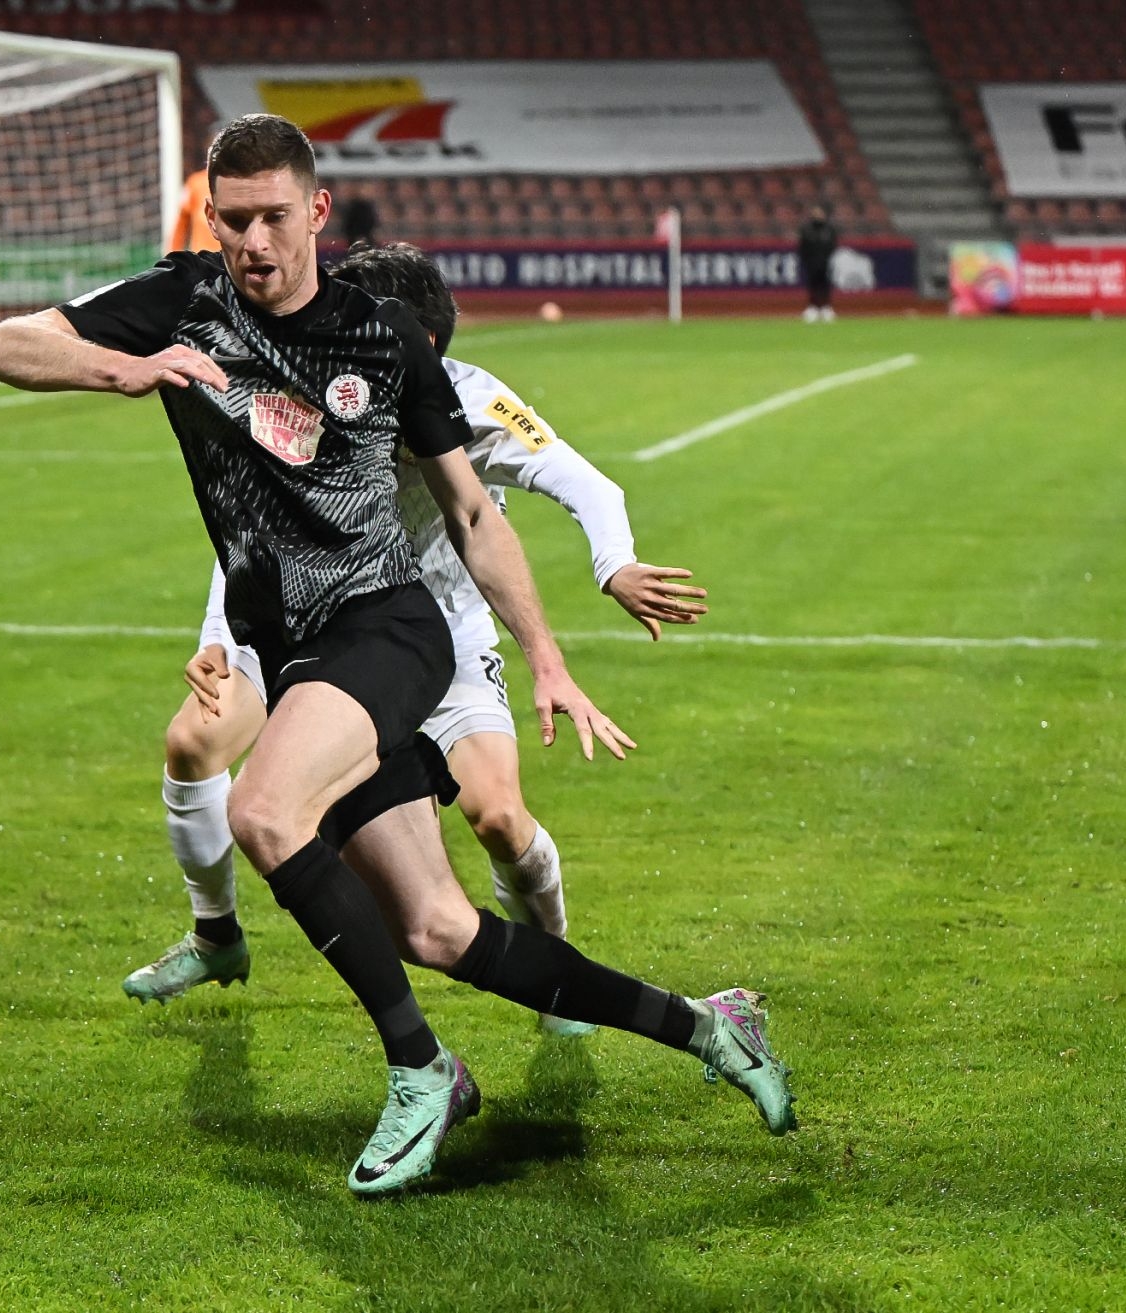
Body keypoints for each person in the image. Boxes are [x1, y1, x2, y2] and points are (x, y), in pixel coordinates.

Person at [0, 114, 792, 1196]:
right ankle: (705, 1022)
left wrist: (544, 651)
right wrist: (119, 368)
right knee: (439, 928)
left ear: (317, 212)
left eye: (273, 216)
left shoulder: (386, 339)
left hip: (391, 631)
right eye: (233, 218)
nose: (252, 240)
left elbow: (473, 513)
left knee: (265, 809)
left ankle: (420, 1068)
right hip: (295, 647)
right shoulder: (185, 298)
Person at [129, 240, 712, 1043]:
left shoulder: (473, 404)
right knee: (195, 739)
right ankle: (216, 936)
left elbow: (585, 483)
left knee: (501, 819)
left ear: (420, 345)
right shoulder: (306, 391)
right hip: (313, 626)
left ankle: (554, 970)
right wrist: (219, 637)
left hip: (443, 637)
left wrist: (614, 566)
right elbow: (253, 527)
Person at [167, 137, 214, 253]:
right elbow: (182, 221)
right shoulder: (195, 184)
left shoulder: (239, 183)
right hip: (203, 260)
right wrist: (173, 256)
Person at [797, 205, 837, 323]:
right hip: (811, 263)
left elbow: (832, 246)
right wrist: (807, 260)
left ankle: (826, 308)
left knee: (825, 285)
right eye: (816, 213)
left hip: (825, 262)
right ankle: (813, 308)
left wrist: (827, 258)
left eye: (820, 213)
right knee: (813, 286)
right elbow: (802, 247)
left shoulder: (829, 229)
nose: (818, 215)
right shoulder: (807, 230)